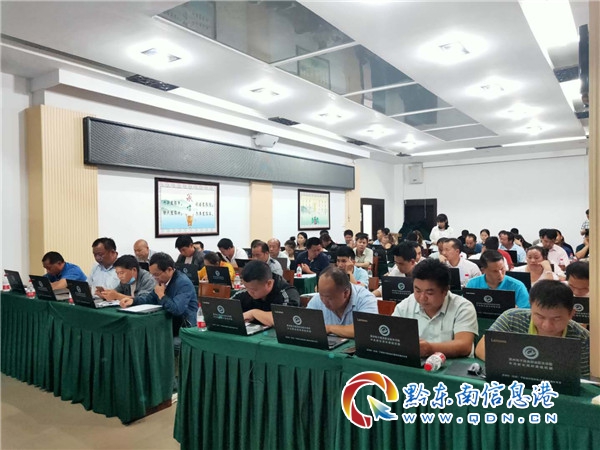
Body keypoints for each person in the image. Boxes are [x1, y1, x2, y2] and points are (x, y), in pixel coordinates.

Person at [475, 280, 590, 378]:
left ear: (571, 314)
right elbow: (481, 349)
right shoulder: (511, 319)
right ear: (531, 308)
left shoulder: (583, 339)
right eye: (540, 316)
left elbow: (583, 379)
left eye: (556, 319)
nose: (546, 326)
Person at [392, 259, 478, 358]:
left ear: (445, 290)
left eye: (429, 293)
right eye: (417, 290)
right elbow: (393, 336)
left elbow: (464, 346)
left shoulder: (463, 307)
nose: (422, 298)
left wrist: (430, 349)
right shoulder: (406, 305)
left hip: (452, 365)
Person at [122, 252, 197, 336]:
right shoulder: (162, 281)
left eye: (156, 274)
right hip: (166, 324)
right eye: (152, 274)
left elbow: (177, 310)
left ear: (169, 270)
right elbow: (149, 299)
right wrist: (133, 301)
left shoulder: (183, 283)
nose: (154, 278)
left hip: (183, 328)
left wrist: (161, 295)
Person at [307, 266, 378, 338]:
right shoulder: (317, 299)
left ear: (345, 293)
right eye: (321, 295)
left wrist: (329, 328)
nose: (324, 301)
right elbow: (306, 325)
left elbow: (366, 329)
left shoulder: (365, 298)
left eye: (329, 298)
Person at [231, 261, 300, 327]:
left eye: (253, 289)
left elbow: (287, 318)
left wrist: (254, 313)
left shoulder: (288, 293)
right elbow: (227, 308)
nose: (249, 292)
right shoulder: (245, 292)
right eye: (246, 287)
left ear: (269, 283)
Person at [465, 250, 530, 308]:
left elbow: (526, 312)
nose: (500, 274)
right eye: (495, 271)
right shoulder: (473, 284)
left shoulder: (517, 286)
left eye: (502, 269)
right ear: (483, 270)